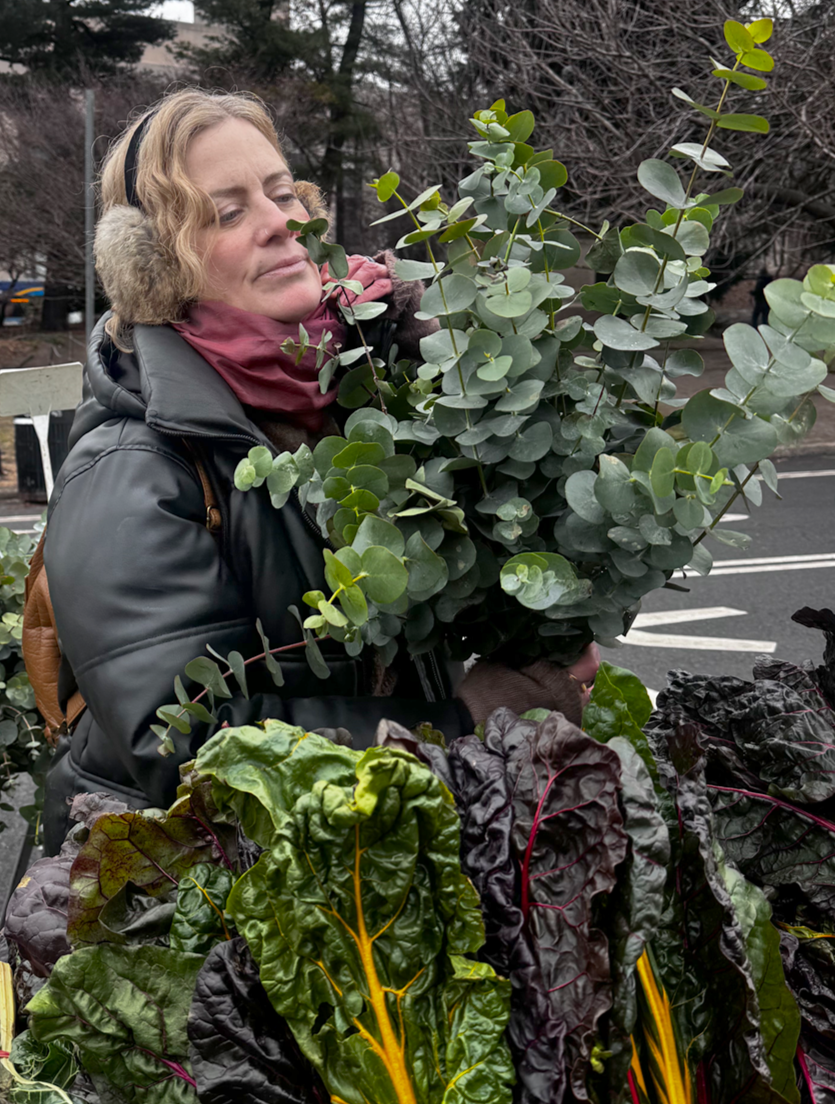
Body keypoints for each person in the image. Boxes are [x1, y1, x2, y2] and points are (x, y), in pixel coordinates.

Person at [40, 89, 598, 854]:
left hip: (374, 856)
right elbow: (192, 752)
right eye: (228, 212)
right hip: (203, 913)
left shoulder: (361, 403)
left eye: (280, 193)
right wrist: (463, 725)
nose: (282, 222)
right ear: (156, 266)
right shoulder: (131, 466)